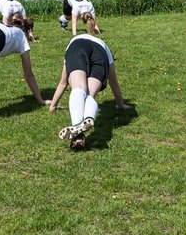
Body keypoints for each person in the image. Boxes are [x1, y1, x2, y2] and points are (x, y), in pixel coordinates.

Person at [48, 11, 130, 149]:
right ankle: (89, 119)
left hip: (77, 47)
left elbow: (63, 83)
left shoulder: (74, 41)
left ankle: (77, 130)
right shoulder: (105, 47)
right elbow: (114, 83)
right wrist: (120, 104)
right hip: (100, 53)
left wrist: (53, 106)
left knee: (79, 88)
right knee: (90, 94)